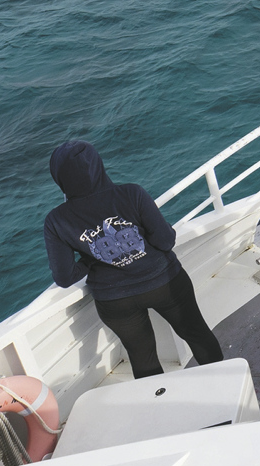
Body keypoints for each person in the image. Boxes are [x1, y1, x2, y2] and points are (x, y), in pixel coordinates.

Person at [43, 140, 224, 378]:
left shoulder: (56, 220)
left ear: (59, 178)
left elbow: (65, 277)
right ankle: (224, 384)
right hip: (164, 283)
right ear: (98, 165)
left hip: (114, 300)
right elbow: (165, 241)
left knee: (142, 357)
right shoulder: (131, 193)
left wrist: (92, 259)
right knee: (197, 334)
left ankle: (160, 399)